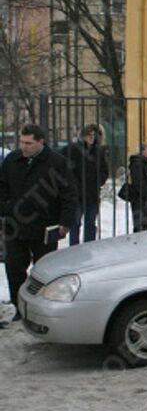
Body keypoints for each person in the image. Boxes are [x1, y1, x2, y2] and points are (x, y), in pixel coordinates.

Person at [0, 124, 77, 319]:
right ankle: (20, 308)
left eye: (29, 143)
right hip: (15, 226)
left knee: (44, 271)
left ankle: (41, 309)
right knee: (14, 267)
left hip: (45, 226)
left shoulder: (57, 163)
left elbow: (69, 193)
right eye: (22, 142)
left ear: (41, 142)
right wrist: (6, 208)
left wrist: (65, 222)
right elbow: (2, 187)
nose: (24, 147)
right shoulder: (12, 159)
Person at [60, 123, 108, 245]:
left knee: (91, 223)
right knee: (75, 224)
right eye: (89, 135)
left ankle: (89, 247)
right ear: (84, 136)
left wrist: (98, 181)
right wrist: (72, 184)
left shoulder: (99, 152)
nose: (92, 137)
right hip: (76, 195)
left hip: (92, 194)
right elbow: (63, 166)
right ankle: (74, 249)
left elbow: (104, 170)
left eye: (95, 135)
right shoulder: (73, 149)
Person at [128, 142, 147, 232]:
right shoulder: (138, 164)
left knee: (144, 224)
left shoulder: (145, 164)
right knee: (140, 225)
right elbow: (139, 183)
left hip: (145, 199)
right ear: (142, 152)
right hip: (139, 199)